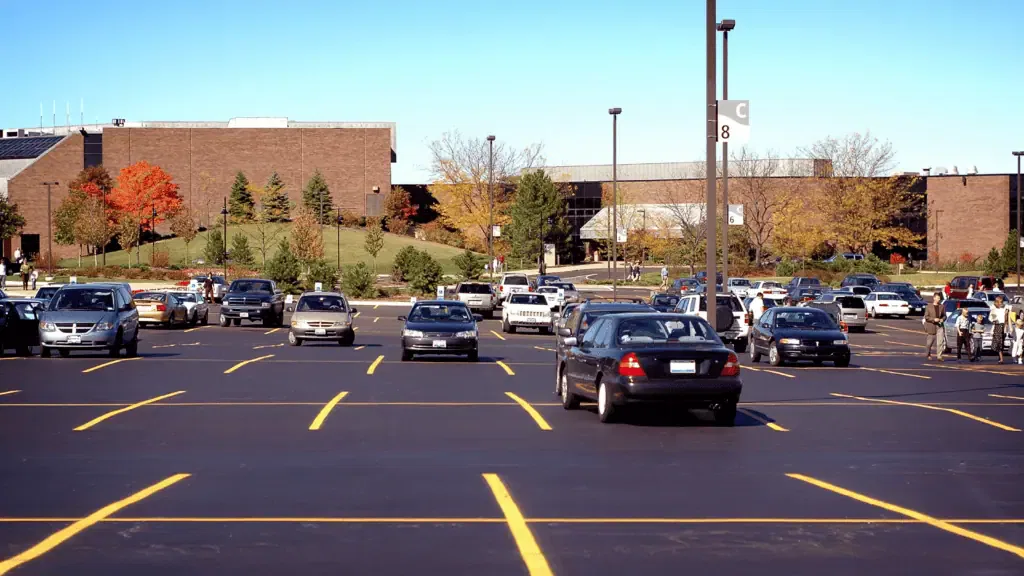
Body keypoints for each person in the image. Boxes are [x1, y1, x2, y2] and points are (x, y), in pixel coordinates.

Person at [923, 293, 946, 361]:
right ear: (934, 298)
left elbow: (944, 315)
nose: (939, 299)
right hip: (931, 325)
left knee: (940, 342)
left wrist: (942, 319)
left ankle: (939, 356)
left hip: (939, 325)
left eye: (939, 298)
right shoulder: (928, 306)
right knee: (929, 343)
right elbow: (926, 317)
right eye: (938, 298)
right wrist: (933, 319)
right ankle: (928, 354)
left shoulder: (942, 306)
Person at [989, 295, 1010, 364]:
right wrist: (995, 320)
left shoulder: (1005, 308)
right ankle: (1001, 358)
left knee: (1001, 343)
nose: (1001, 303)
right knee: (998, 343)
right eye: (999, 302)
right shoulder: (993, 308)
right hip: (997, 326)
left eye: (1001, 302)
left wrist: (1007, 325)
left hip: (1003, 326)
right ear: (997, 302)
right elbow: (991, 317)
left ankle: (1000, 358)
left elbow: (1007, 318)